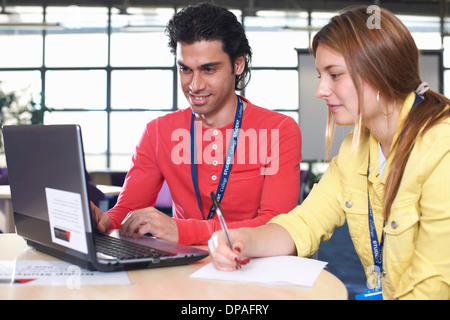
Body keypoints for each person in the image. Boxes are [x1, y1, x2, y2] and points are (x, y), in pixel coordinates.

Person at [208, 6, 450, 300]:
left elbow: (434, 287)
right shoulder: (355, 149)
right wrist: (244, 239)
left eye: (334, 75)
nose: (320, 90)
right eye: (321, 75)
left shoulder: (442, 149)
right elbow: (306, 222)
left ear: (381, 69)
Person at [91, 3, 302, 245]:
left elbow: (276, 224)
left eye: (208, 69)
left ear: (238, 64)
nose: (195, 85)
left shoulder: (278, 130)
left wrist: (182, 231)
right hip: (183, 268)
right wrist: (105, 221)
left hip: (254, 265)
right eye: (185, 69)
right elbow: (128, 210)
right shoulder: (158, 132)